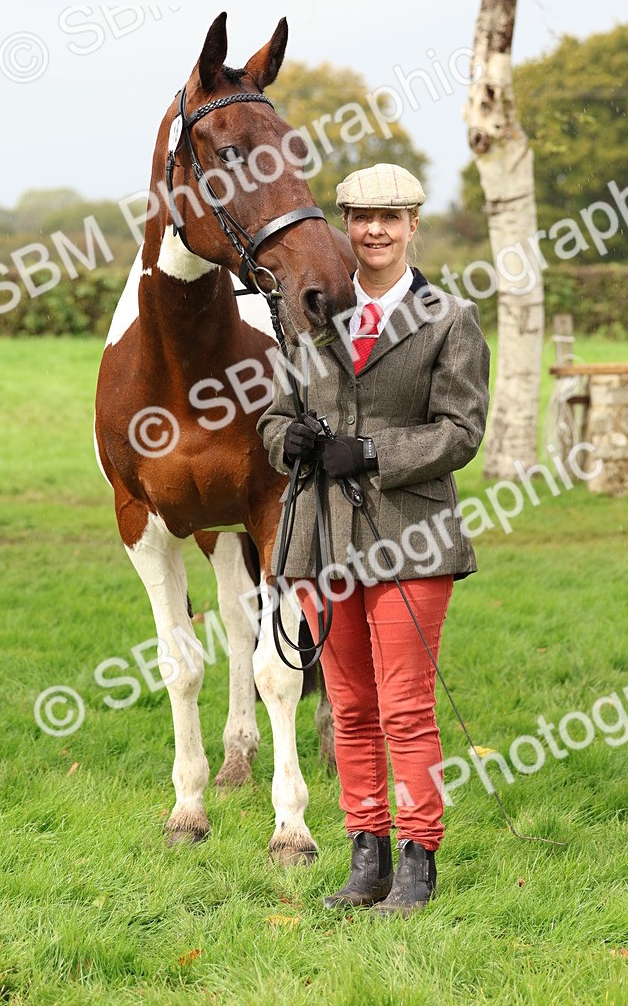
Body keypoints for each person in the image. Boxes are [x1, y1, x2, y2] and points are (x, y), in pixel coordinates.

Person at [257, 163, 490, 916]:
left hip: (411, 540)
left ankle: (419, 865)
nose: (376, 230)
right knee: (351, 709)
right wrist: (284, 438)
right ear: (346, 226)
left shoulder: (450, 319)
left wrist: (371, 453)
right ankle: (368, 859)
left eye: (391, 217)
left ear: (414, 225)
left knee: (406, 709)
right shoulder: (310, 319)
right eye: (361, 217)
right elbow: (268, 418)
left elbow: (462, 432)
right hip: (321, 542)